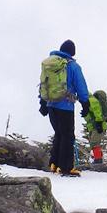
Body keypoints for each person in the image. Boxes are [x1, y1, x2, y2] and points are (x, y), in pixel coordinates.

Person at [38, 39, 90, 177]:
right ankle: (66, 167)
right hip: (65, 106)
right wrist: (85, 103)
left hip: (51, 105)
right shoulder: (72, 66)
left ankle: (54, 164)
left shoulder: (50, 64)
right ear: (72, 52)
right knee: (67, 135)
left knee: (59, 134)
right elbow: (81, 85)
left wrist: (42, 103)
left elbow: (44, 83)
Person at [84, 90, 107, 164]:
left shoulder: (91, 101)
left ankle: (98, 160)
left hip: (98, 126)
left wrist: (99, 123)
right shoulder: (90, 101)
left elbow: (97, 112)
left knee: (95, 143)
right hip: (95, 126)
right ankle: (98, 159)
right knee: (95, 143)